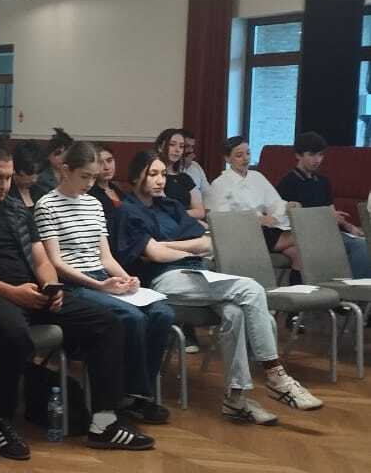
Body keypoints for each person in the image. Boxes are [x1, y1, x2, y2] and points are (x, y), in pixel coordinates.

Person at [0, 139, 154, 457]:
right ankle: (1, 421)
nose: (4, 185)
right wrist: (12, 292)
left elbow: (41, 260)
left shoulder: (16, 210)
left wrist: (52, 286)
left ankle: (104, 423)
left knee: (108, 322)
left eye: (8, 177)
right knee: (13, 334)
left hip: (32, 293)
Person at [115, 150, 322, 421]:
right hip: (163, 279)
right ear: (136, 177)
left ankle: (236, 399)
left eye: (163, 174)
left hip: (197, 274)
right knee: (251, 288)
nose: (160, 180)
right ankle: (275, 374)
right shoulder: (129, 210)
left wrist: (166, 246)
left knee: (235, 313)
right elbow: (156, 256)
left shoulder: (170, 206)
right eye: (152, 174)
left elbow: (207, 243)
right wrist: (178, 249)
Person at [35, 141, 172, 423]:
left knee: (162, 313)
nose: (89, 183)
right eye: (84, 176)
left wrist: (125, 277)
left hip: (101, 277)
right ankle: (129, 395)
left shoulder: (94, 204)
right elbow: (55, 262)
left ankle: (139, 393)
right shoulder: (47, 205)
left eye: (93, 177)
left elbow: (105, 256)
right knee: (131, 317)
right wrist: (98, 285)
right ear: (65, 170)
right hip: (75, 283)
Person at [276, 131, 370, 277]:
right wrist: (326, 217)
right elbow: (285, 219)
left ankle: (356, 288)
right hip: (306, 233)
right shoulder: (288, 183)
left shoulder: (323, 182)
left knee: (362, 245)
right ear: (298, 155)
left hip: (329, 230)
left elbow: (331, 212)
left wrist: (349, 226)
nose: (317, 160)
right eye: (312, 155)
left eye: (320, 155)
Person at [207, 136, 301, 271]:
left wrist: (283, 210)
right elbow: (221, 220)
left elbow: (275, 203)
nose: (245, 158)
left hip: (265, 229)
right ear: (227, 159)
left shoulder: (257, 177)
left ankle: (298, 285)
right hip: (243, 233)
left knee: (298, 253)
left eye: (248, 153)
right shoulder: (220, 184)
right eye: (239, 155)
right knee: (302, 235)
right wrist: (255, 220)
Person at [155, 128, 206, 220]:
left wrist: (179, 214)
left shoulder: (184, 177)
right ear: (160, 147)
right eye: (172, 144)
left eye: (181, 146)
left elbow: (200, 212)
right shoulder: (153, 176)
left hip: (186, 223)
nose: (177, 150)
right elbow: (164, 209)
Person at [87, 143, 125, 238]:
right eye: (100, 163)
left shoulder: (117, 189)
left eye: (109, 160)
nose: (107, 167)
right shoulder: (90, 194)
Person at [6, 141, 51, 210]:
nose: (34, 179)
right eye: (29, 173)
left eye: (37, 173)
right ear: (15, 169)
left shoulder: (42, 191)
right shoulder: (5, 193)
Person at [181, 129, 211, 201]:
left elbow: (207, 192)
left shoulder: (195, 166)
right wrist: (184, 167)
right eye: (187, 146)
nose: (191, 150)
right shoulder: (164, 167)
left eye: (192, 147)